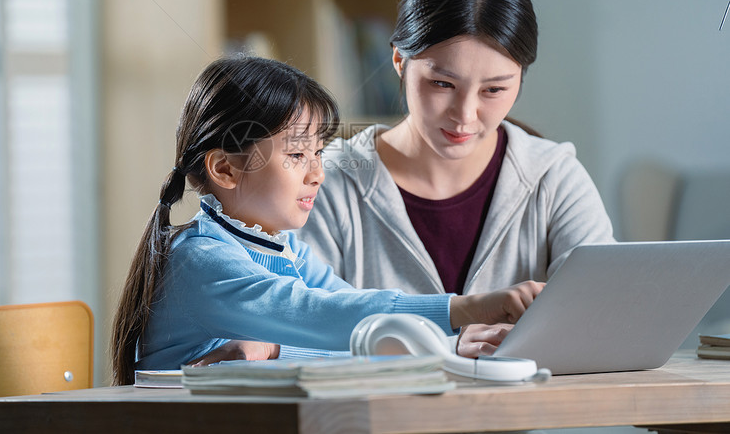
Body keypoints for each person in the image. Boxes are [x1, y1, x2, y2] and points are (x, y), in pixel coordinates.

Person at [111, 55, 544, 384]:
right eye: (297, 154)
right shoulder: (201, 260)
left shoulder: (288, 251)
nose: (317, 172)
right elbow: (322, 315)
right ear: (224, 169)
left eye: (318, 152)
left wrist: (275, 348)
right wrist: (465, 308)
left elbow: (362, 333)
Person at [297, 0, 614, 357]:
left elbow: (602, 317)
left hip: (516, 416)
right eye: (442, 83)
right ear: (399, 61)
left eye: (494, 90)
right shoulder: (329, 181)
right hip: (375, 417)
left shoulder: (555, 176)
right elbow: (297, 334)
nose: (465, 115)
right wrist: (446, 347)